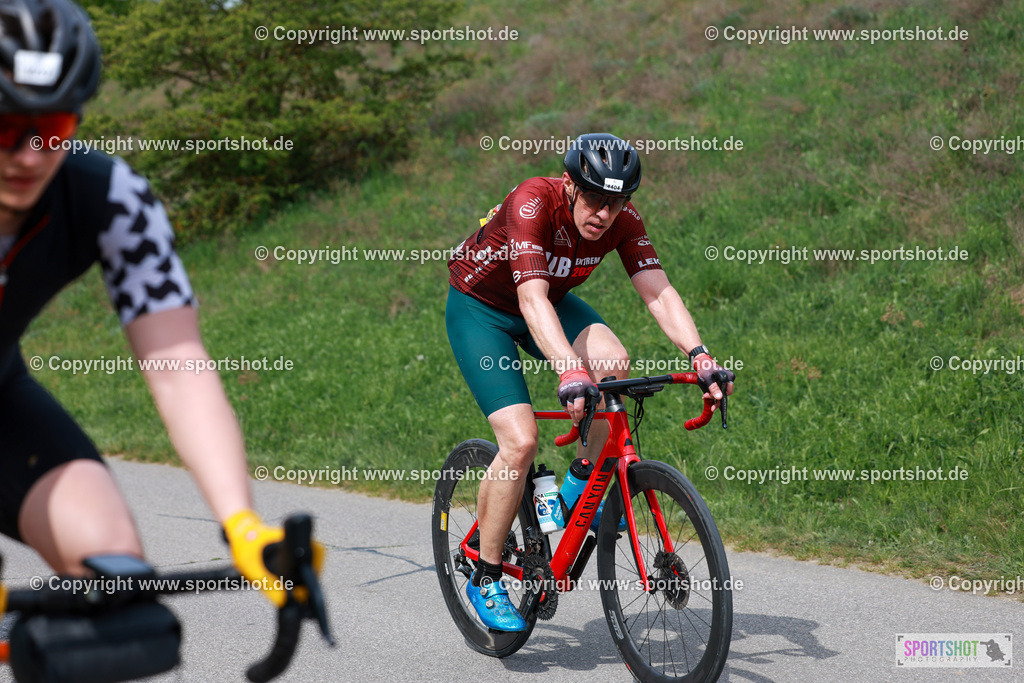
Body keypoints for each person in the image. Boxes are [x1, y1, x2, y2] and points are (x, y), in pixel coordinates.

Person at [0, 0, 306, 608]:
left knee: (114, 577)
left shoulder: (110, 196)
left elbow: (178, 368)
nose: (31, 155)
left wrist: (242, 523)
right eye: (7, 129)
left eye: (52, 128)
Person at [446, 132, 735, 631]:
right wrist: (569, 369)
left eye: (615, 202)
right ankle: (486, 574)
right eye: (594, 199)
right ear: (569, 185)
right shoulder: (533, 203)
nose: (603, 213)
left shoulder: (624, 221)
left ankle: (582, 485)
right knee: (520, 441)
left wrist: (701, 356)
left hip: (550, 302)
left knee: (613, 363)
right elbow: (531, 299)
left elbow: (659, 292)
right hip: (483, 310)